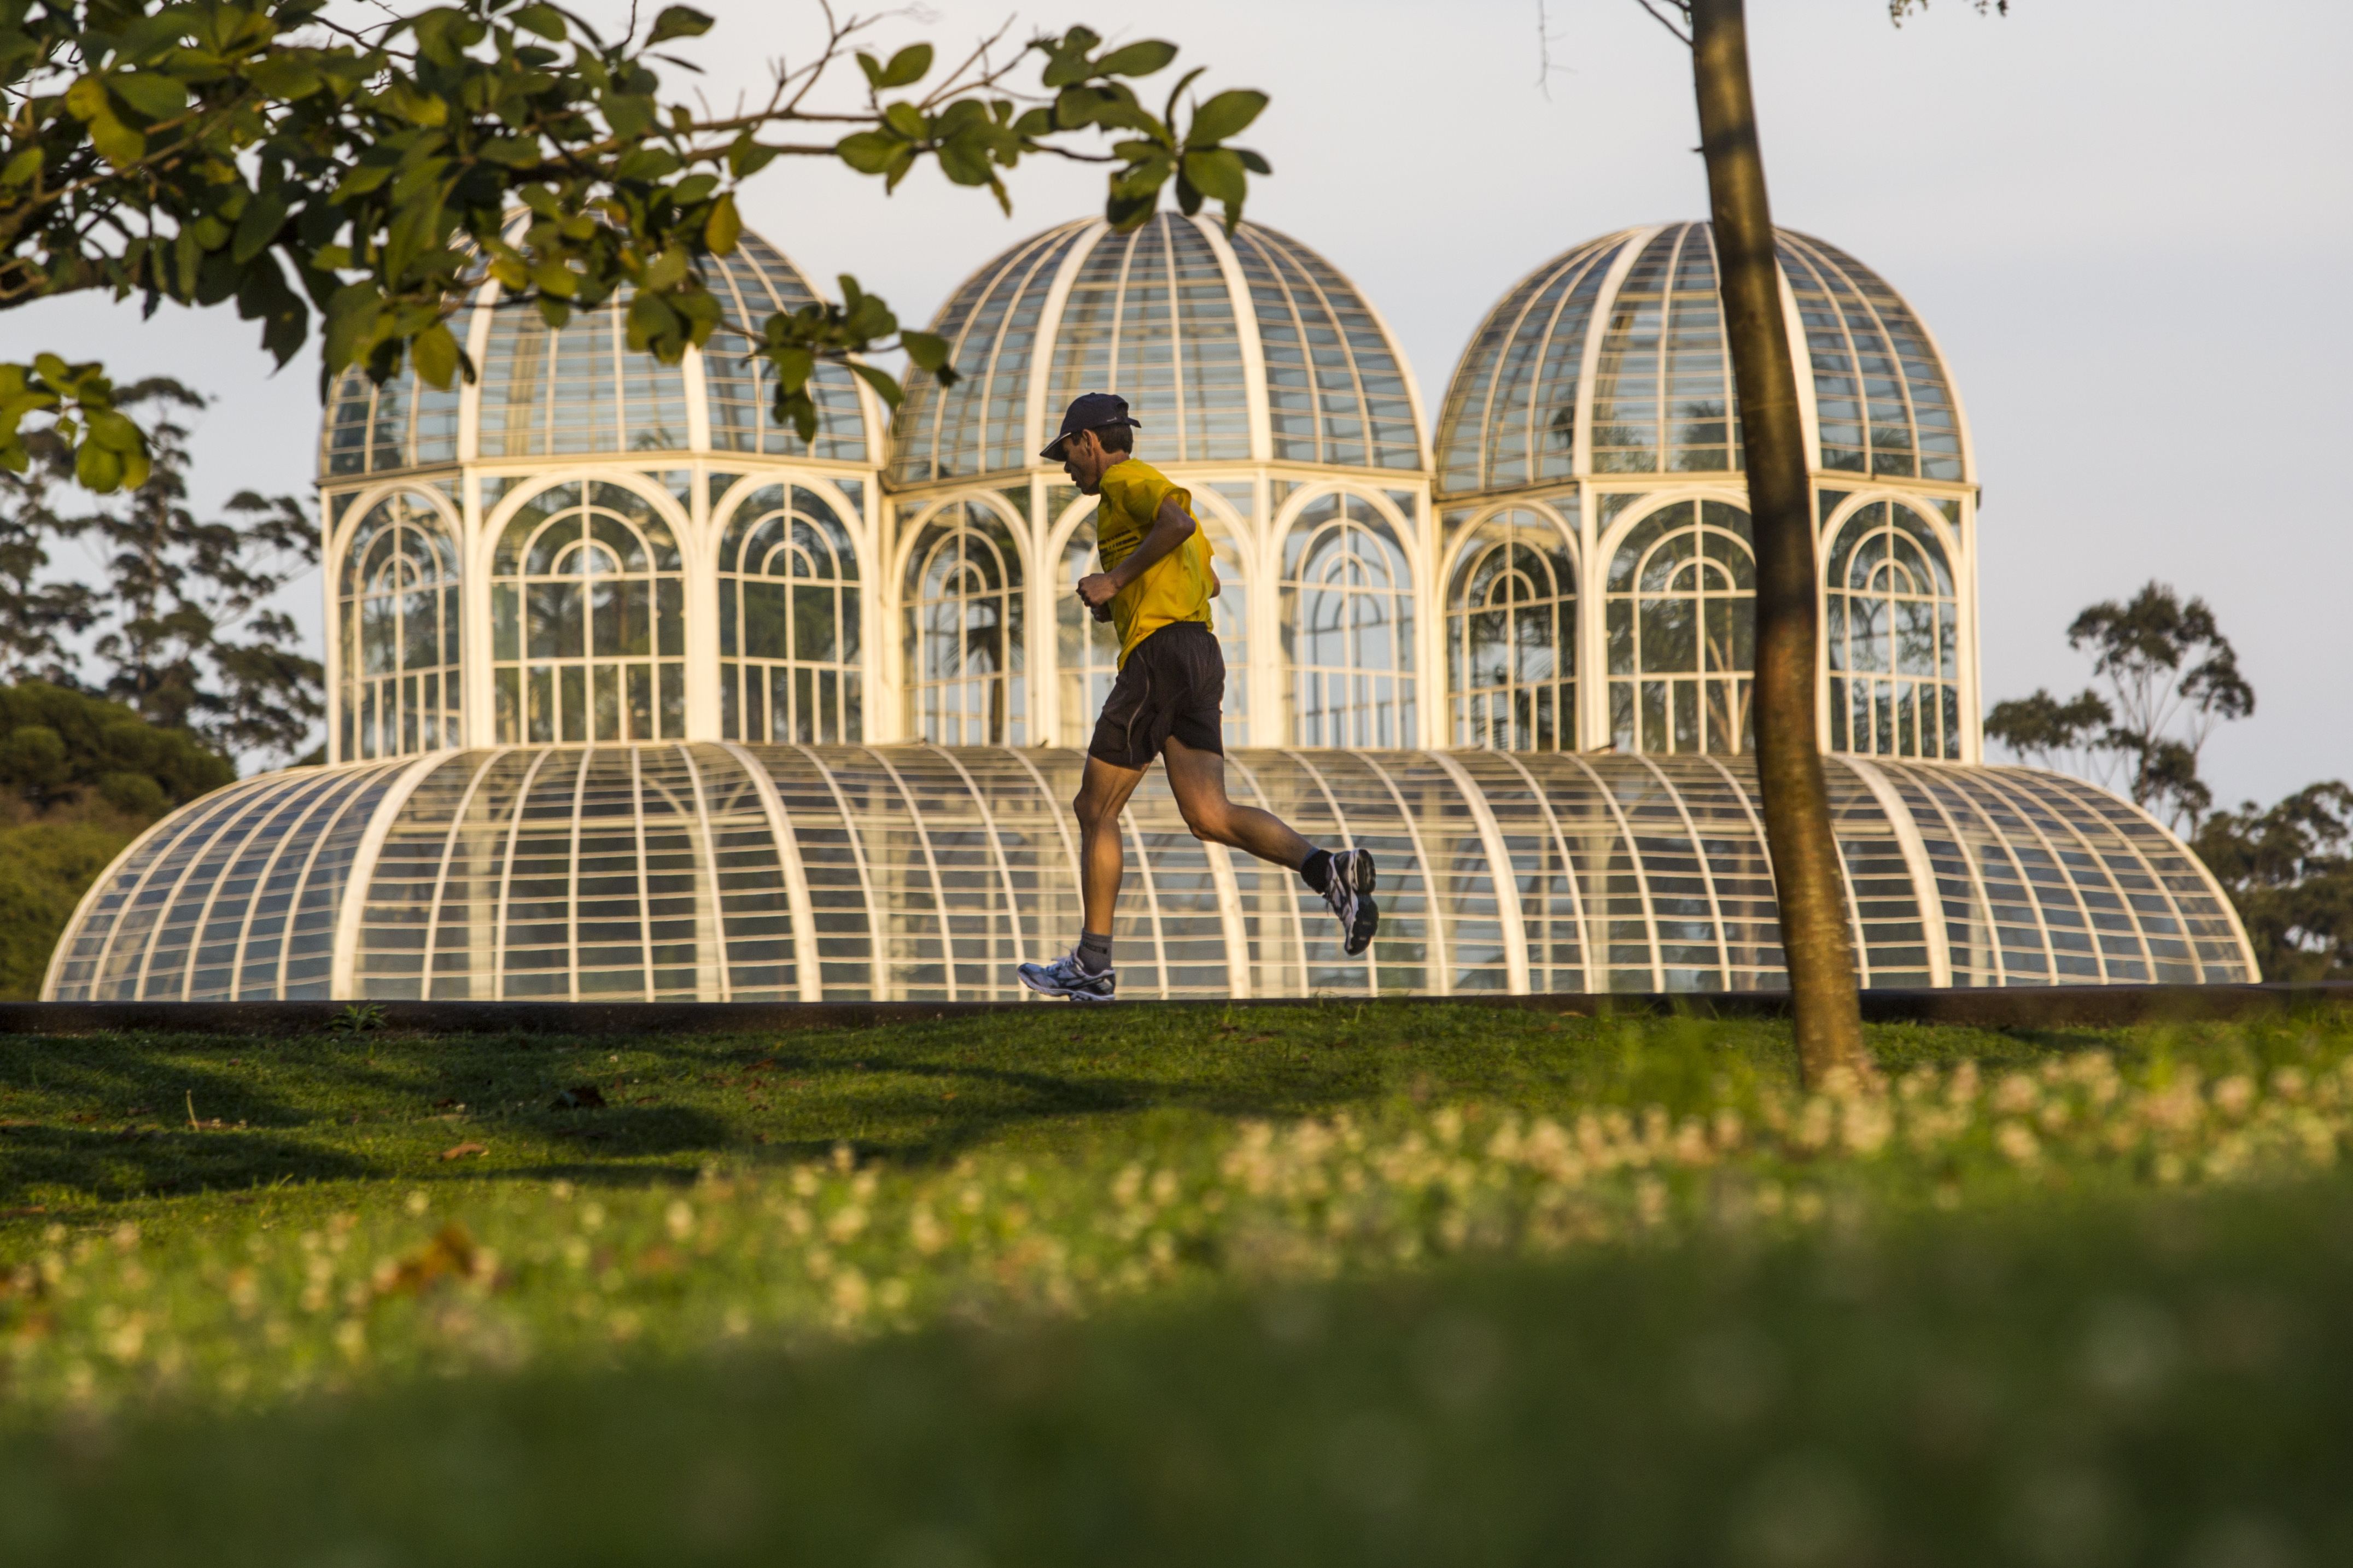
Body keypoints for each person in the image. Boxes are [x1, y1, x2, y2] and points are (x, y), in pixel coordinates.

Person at [1017, 393, 1377, 1003]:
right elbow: (1204, 578)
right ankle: (1327, 869)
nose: (1066, 467)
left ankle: (1092, 965)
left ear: (1089, 441)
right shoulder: (1139, 501)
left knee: (1095, 809)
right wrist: (1120, 601)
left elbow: (1176, 524)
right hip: (1198, 655)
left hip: (1158, 657)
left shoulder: (1126, 480)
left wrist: (1115, 580)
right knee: (1209, 815)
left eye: (1067, 454)